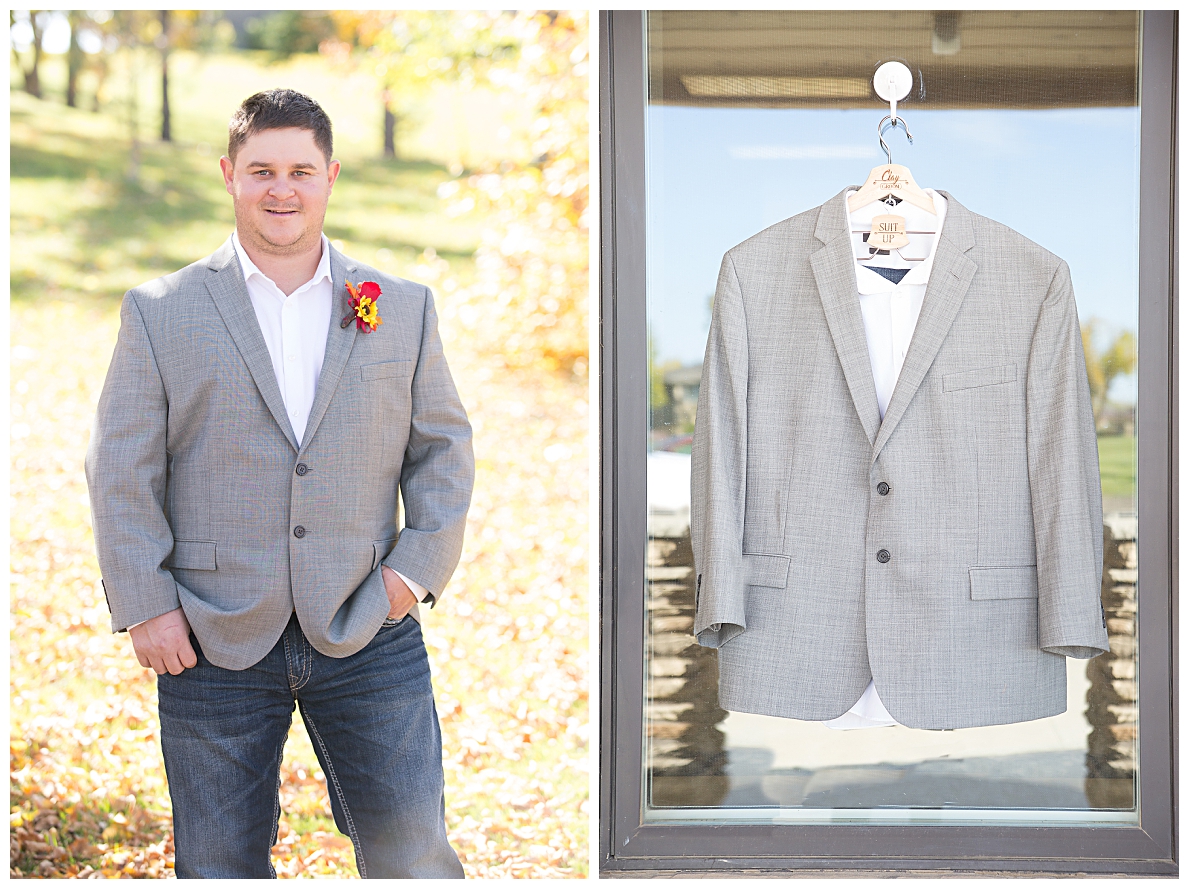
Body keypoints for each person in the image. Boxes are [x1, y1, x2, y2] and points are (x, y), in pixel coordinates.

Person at [85, 89, 473, 879]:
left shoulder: (400, 308)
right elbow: (120, 467)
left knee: (414, 856)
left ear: (331, 175)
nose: (281, 189)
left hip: (368, 624)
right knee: (217, 863)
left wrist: (410, 575)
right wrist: (147, 605)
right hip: (209, 635)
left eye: (300, 170)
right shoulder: (161, 311)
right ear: (229, 175)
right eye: (261, 170)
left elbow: (443, 448)